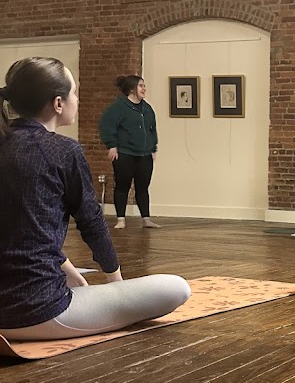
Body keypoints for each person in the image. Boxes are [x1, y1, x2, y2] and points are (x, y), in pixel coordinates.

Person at [0, 57, 190, 341]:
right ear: (58, 103)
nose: (77, 99)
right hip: (37, 313)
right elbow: (92, 223)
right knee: (176, 288)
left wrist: (65, 265)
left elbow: (21, 224)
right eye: (74, 92)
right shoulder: (63, 150)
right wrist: (117, 286)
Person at [98, 74, 160, 229]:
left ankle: (146, 219)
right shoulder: (118, 108)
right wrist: (112, 145)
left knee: (143, 188)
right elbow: (106, 126)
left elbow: (152, 129)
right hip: (125, 153)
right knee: (122, 186)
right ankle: (121, 219)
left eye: (144, 86)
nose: (144, 89)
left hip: (144, 154)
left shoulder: (147, 109)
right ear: (132, 89)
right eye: (141, 86)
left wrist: (153, 147)